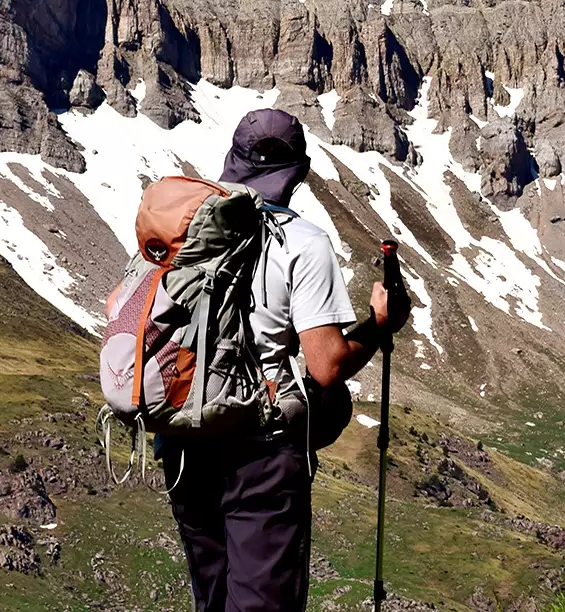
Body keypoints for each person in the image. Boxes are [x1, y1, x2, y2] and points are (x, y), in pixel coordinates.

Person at [158, 108, 411, 611]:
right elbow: (325, 365)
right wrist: (380, 324)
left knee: (210, 599)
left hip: (186, 440)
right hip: (259, 453)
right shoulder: (303, 241)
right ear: (295, 174)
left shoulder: (185, 230)